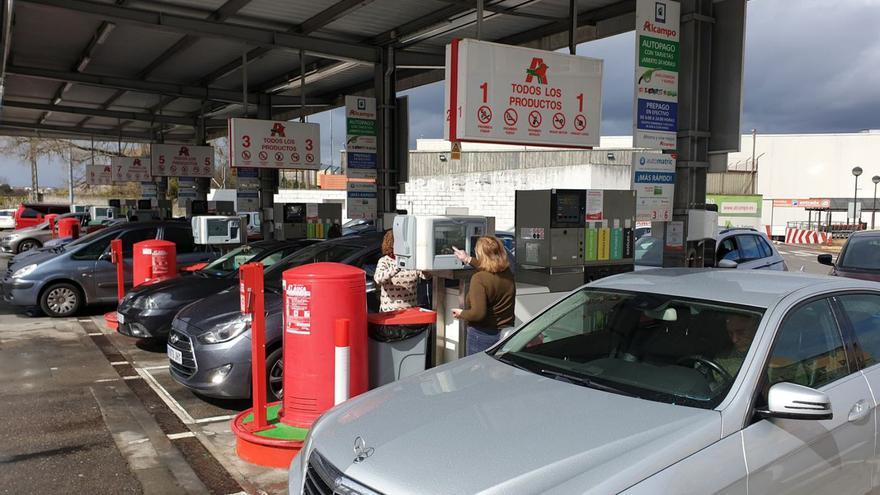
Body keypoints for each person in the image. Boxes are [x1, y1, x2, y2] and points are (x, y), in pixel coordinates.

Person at [451, 236, 516, 355]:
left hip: (482, 335)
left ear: (479, 254)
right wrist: (467, 259)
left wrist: (461, 313)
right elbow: (488, 266)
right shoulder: (507, 273)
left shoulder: (479, 279)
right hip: (504, 333)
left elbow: (478, 314)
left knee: (478, 371)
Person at [373, 230, 427, 312]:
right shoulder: (384, 261)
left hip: (411, 311)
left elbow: (426, 276)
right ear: (391, 244)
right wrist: (397, 266)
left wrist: (425, 264)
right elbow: (378, 279)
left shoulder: (412, 260)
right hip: (390, 313)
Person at [714, 313, 759, 377]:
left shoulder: (769, 355)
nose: (734, 339)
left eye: (741, 332)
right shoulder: (723, 355)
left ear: (755, 328)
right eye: (730, 333)